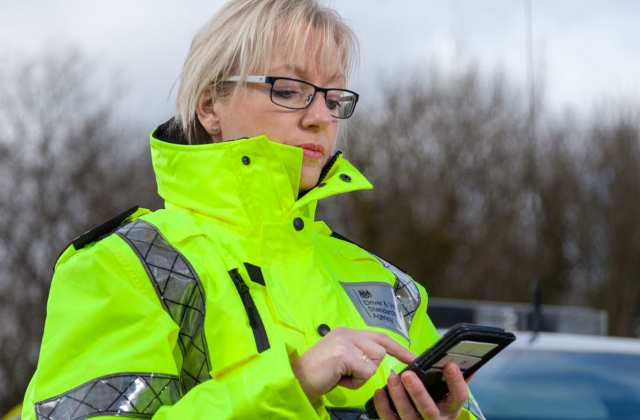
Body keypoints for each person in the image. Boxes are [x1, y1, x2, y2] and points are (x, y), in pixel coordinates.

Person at [23, 0, 485, 419]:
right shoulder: (131, 266)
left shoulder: (391, 286)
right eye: (288, 89)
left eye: (334, 97)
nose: (320, 117)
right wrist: (293, 384)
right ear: (210, 106)